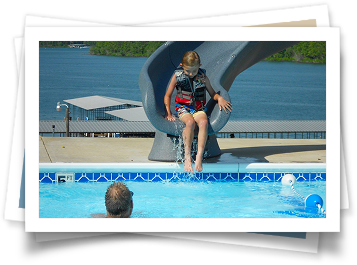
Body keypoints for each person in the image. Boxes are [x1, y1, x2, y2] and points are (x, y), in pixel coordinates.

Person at [164, 51, 232, 172]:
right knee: (190, 122)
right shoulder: (177, 76)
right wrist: (168, 113)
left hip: (198, 108)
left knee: (204, 122)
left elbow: (212, 94)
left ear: (199, 66)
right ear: (181, 65)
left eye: (194, 71)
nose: (190, 74)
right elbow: (167, 95)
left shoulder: (203, 77)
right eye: (187, 71)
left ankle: (199, 157)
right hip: (183, 108)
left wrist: (220, 98)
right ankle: (187, 157)